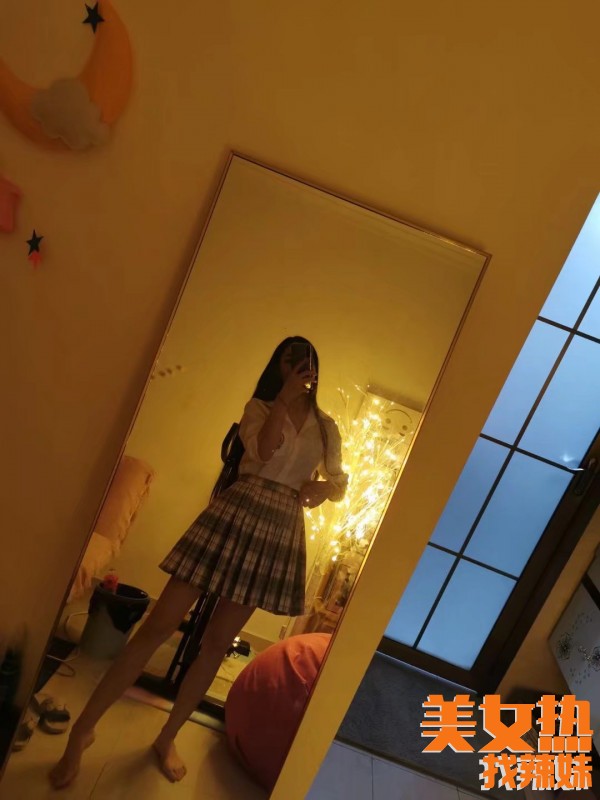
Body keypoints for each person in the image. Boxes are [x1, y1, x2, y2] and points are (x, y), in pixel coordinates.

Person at [49, 335, 348, 788]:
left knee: (217, 643)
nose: (298, 369)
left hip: (279, 528)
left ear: (314, 367)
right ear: (279, 367)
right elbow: (264, 452)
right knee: (157, 626)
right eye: (289, 362)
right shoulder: (260, 408)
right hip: (236, 510)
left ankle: (167, 737)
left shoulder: (327, 428)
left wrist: (325, 488)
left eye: (305, 361)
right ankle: (83, 730)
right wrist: (283, 402)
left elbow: (339, 481)